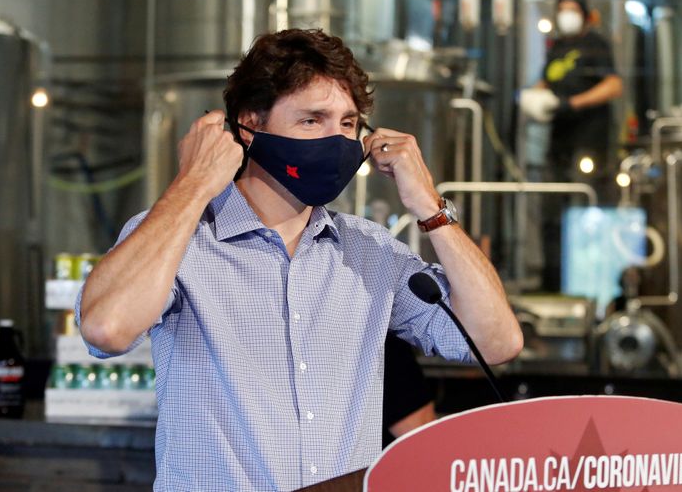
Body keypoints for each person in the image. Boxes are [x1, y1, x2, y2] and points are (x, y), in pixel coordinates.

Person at [77, 28, 522, 491]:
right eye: (312, 120)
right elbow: (107, 328)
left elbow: (495, 343)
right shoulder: (179, 237)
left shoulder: (372, 252)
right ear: (250, 125)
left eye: (348, 123)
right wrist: (192, 185)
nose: (337, 139)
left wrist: (431, 208)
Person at [521, 0, 623, 291]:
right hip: (559, 144)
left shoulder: (596, 45)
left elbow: (614, 85)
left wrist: (574, 103)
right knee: (553, 214)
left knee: (584, 210)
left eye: (571, 9)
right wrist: (531, 97)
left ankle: (587, 281)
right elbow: (545, 82)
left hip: (589, 144)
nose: (566, 15)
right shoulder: (558, 48)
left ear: (585, 15)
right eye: (562, 9)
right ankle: (553, 279)